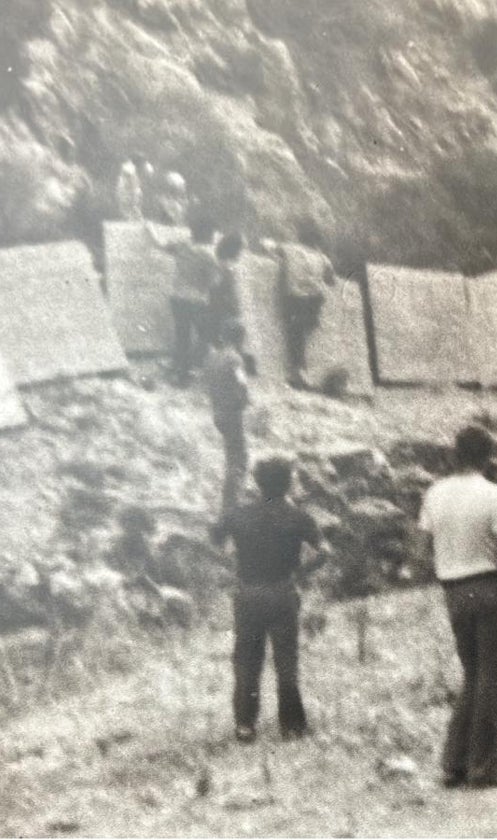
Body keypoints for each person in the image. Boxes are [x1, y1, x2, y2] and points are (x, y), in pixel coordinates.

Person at [417, 426, 497, 789]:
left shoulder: (435, 493)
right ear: (487, 456)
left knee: (472, 675)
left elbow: (422, 550)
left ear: (455, 452)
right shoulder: (493, 494)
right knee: (491, 678)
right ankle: (485, 766)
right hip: (487, 587)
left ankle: (455, 762)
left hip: (453, 589)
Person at [211, 456, 329, 743]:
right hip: (282, 591)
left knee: (247, 660)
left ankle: (245, 725)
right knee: (286, 659)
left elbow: (215, 538)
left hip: (248, 591)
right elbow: (325, 551)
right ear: (289, 482)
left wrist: (231, 562)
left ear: (257, 482)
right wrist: (300, 574)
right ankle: (291, 725)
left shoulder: (239, 514)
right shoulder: (298, 517)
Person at [146, 217, 219, 384]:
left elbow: (160, 244)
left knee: (182, 336)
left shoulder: (182, 246)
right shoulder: (209, 256)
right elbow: (213, 283)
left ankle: (181, 373)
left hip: (178, 297)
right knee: (206, 335)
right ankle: (192, 366)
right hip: (197, 300)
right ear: (208, 235)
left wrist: (150, 229)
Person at [204, 320, 250, 514]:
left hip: (217, 411)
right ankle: (231, 503)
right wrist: (245, 400)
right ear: (240, 339)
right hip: (232, 412)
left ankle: (229, 500)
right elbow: (242, 383)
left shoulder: (212, 357)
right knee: (238, 457)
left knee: (230, 453)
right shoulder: (235, 358)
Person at [277, 241, 335, 388]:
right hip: (313, 302)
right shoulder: (322, 257)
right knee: (303, 333)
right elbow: (331, 280)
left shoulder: (289, 248)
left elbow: (269, 246)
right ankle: (302, 372)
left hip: (295, 299)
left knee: (295, 335)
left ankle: (298, 372)